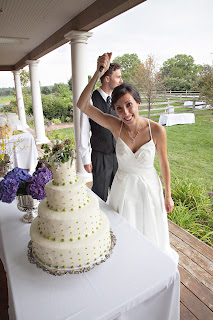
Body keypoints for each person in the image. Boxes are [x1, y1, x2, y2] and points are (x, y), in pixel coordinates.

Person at [77, 53, 178, 263]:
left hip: (148, 188)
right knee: (124, 238)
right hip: (122, 190)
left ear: (138, 102)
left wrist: (168, 195)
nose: (125, 112)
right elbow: (82, 105)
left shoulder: (157, 130)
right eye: (119, 108)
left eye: (129, 104)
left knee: (149, 234)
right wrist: (99, 73)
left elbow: (164, 163)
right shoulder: (115, 125)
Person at [79, 60, 123, 201]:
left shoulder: (118, 100)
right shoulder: (90, 100)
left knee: (119, 194)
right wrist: (85, 158)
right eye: (118, 77)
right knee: (99, 194)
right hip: (100, 156)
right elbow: (84, 131)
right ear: (107, 78)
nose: (121, 81)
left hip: (118, 156)